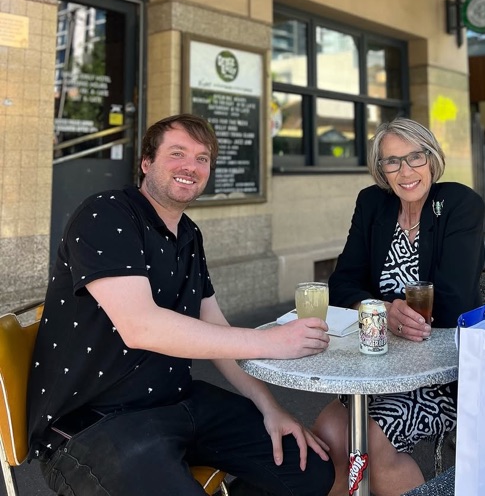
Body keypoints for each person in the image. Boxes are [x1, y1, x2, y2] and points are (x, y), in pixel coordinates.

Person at [27, 113, 335, 496]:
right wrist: (273, 342)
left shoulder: (189, 234)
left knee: (308, 467)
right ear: (146, 162)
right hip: (93, 425)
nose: (191, 166)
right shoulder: (105, 213)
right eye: (177, 153)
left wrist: (269, 405)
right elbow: (141, 326)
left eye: (202, 158)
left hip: (177, 401)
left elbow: (216, 329)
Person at [312, 117, 485, 496]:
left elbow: (454, 300)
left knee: (371, 443)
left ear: (432, 158)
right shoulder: (372, 203)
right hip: (375, 363)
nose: (405, 171)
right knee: (327, 434)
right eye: (392, 161)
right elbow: (342, 283)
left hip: (440, 371)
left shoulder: (458, 204)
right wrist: (382, 310)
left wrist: (391, 315)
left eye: (415, 157)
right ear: (381, 169)